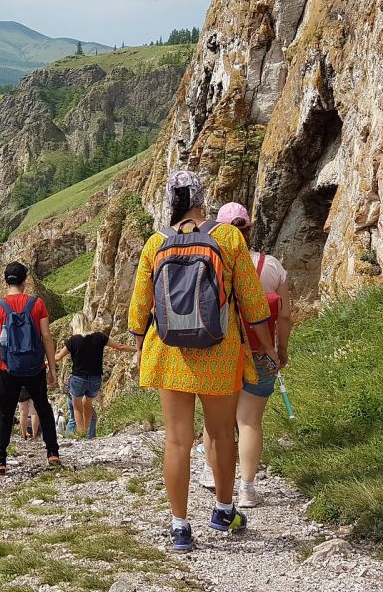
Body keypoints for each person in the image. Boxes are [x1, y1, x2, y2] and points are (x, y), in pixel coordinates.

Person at [128, 171, 278, 552]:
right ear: (201, 199)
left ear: (171, 201)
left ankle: (180, 527)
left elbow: (138, 312)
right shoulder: (227, 238)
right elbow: (253, 302)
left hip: (170, 354)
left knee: (177, 440)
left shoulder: (155, 244)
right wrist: (267, 347)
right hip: (219, 352)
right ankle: (224, 511)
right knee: (222, 434)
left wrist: (140, 345)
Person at [198, 202, 292, 507]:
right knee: (249, 421)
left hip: (221, 351)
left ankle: (211, 473)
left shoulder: (211, 263)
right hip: (261, 352)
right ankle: (247, 488)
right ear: (249, 230)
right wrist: (280, 349)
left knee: (216, 419)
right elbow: (285, 315)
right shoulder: (271, 266)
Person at [0, 261, 61, 475]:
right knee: (43, 408)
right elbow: (46, 336)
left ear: (5, 281)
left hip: (8, 368)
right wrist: (52, 368)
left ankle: (0, 460)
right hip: (35, 367)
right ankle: (52, 453)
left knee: (4, 413)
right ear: (25, 280)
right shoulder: (37, 304)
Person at [56, 313, 134, 437]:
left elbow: (58, 357)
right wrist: (138, 349)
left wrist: (44, 362)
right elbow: (120, 347)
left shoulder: (73, 340)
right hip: (95, 379)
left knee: (77, 407)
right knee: (88, 405)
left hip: (78, 378)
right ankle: (86, 432)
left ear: (75, 324)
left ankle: (81, 433)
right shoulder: (99, 337)